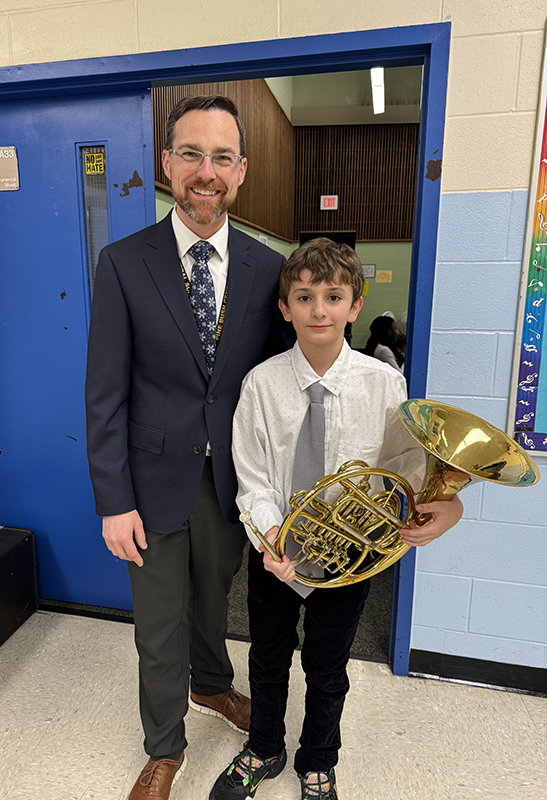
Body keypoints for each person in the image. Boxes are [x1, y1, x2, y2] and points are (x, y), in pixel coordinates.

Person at [85, 95, 290, 800]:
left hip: (234, 479)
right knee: (157, 620)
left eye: (223, 157)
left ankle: (212, 686)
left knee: (213, 602)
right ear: (168, 164)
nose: (208, 171)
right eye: (192, 154)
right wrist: (113, 501)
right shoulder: (122, 262)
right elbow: (104, 392)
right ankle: (164, 746)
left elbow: (282, 382)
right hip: (149, 480)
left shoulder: (270, 270)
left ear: (241, 171)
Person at [209, 238, 463, 800]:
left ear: (354, 306)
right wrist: (273, 538)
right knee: (266, 659)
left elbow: (404, 469)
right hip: (276, 551)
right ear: (285, 308)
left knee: (329, 669)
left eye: (332, 296)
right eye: (303, 296)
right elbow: (251, 477)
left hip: (352, 559)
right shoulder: (261, 384)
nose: (317, 310)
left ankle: (318, 761)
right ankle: (264, 749)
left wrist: (446, 506)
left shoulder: (384, 384)